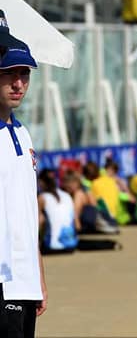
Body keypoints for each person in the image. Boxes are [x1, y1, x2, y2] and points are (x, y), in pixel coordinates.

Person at [0, 42, 48, 336]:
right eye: (9, 74)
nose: (19, 84)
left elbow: (27, 209)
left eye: (25, 74)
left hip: (25, 279)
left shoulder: (23, 132)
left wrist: (38, 274)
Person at [37, 170, 78, 255]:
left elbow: (39, 221)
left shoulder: (42, 197)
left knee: (41, 217)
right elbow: (76, 222)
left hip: (52, 247)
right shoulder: (67, 195)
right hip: (71, 245)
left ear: (41, 183)